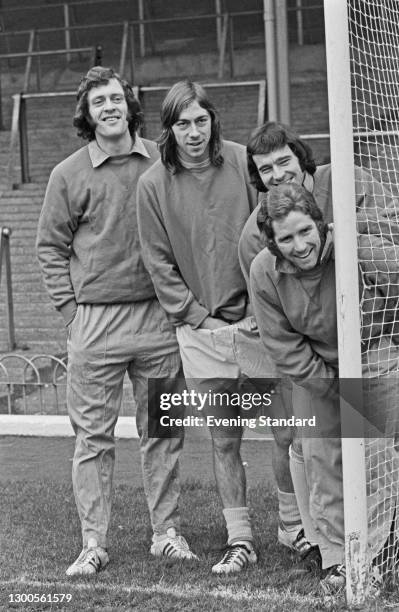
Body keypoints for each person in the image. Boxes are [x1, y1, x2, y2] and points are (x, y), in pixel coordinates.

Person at [136, 80, 312, 573]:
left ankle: (292, 527)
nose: (193, 132)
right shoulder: (152, 184)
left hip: (261, 327)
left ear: (213, 120)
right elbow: (158, 263)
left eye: (200, 120)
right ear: (168, 129)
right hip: (201, 334)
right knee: (224, 440)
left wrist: (266, 307)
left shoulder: (241, 161)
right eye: (182, 123)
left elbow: (274, 226)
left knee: (287, 432)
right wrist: (197, 316)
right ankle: (241, 539)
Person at [36, 66, 197, 577]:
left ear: (130, 105)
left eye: (115, 98)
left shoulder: (163, 160)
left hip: (157, 320)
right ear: (86, 114)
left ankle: (166, 533)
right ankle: (93, 543)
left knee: (163, 430)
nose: (108, 107)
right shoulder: (68, 174)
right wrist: (71, 314)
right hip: (96, 325)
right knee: (93, 439)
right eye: (97, 101)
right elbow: (49, 247)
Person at [250, 182, 399, 592]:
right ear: (273, 243)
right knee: (321, 459)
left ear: (320, 224)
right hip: (314, 368)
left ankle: (374, 555)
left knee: (376, 456)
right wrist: (332, 383)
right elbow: (281, 342)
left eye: (305, 232)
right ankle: (337, 560)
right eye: (286, 238)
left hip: (371, 356)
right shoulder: (264, 271)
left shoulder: (356, 247)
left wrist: (385, 321)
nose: (299, 245)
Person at [239, 121, 397, 283]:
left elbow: (394, 227)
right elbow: (262, 289)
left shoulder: (348, 178)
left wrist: (350, 226)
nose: (278, 175)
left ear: (300, 158)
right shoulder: (253, 234)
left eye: (284, 161)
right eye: (266, 169)